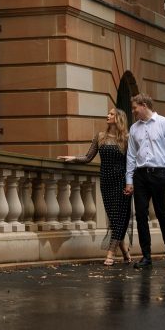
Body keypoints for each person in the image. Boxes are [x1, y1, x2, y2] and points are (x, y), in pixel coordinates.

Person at [58, 106, 132, 266]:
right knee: (114, 219)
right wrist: (73, 158)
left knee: (120, 219)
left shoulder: (127, 138)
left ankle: (110, 254)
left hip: (122, 182)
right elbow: (88, 157)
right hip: (106, 182)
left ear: (119, 118)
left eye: (111, 114)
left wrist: (130, 183)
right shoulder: (100, 137)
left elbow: (131, 163)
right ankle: (125, 251)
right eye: (109, 113)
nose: (108, 115)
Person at [124, 92, 165, 270]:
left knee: (162, 214)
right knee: (140, 215)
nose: (133, 112)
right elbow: (131, 156)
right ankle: (146, 256)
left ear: (144, 106)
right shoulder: (134, 128)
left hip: (159, 174)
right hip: (140, 175)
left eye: (134, 108)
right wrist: (129, 180)